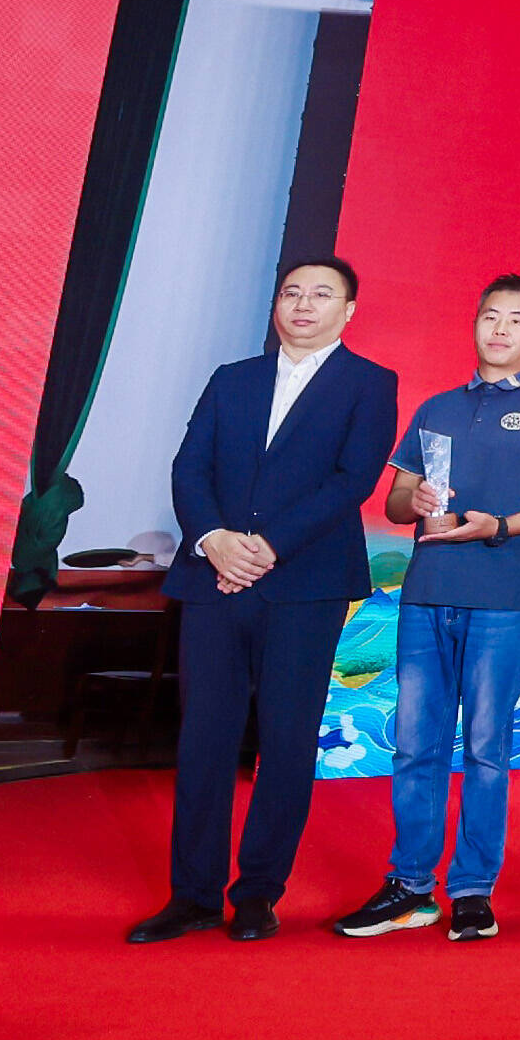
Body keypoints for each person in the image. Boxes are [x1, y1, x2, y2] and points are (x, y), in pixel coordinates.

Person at [132, 256, 399, 944]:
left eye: (321, 294)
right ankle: (192, 895)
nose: (303, 305)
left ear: (348, 310)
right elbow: (190, 466)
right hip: (213, 578)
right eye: (291, 292)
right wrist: (215, 540)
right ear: (276, 303)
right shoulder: (233, 378)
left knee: (285, 740)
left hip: (305, 585)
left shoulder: (370, 383)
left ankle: (257, 893)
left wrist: (266, 547)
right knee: (204, 738)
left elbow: (353, 480)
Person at [335, 276, 520, 942]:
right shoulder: (438, 407)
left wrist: (499, 526)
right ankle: (411, 886)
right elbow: (396, 503)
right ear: (474, 324)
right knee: (414, 746)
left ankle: (473, 890)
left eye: (516, 320)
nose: (500, 329)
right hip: (426, 595)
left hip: (502, 601)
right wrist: (415, 501)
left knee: (485, 748)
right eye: (490, 316)